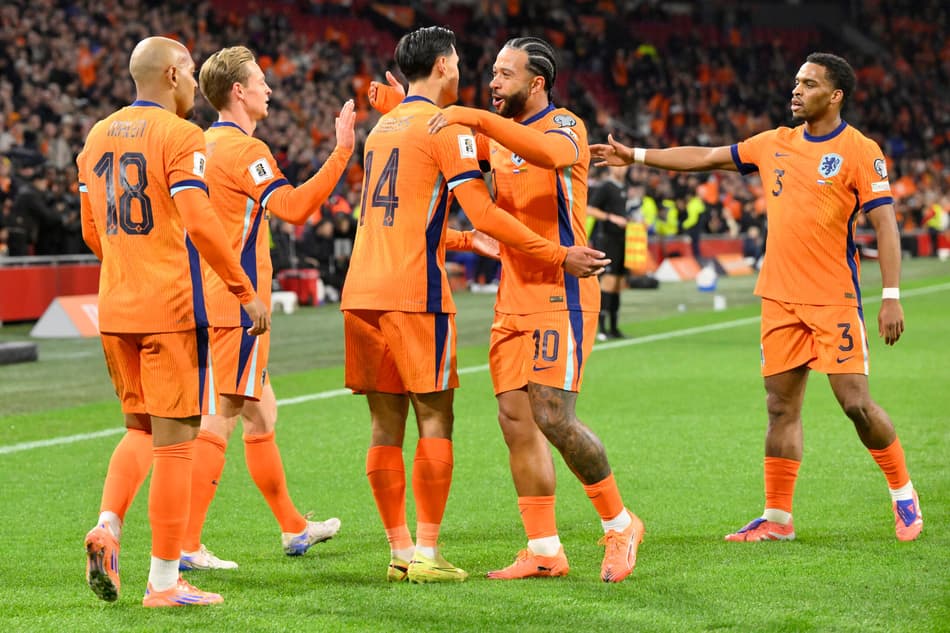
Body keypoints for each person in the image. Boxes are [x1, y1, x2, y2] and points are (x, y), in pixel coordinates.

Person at [592, 51, 923, 543]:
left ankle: (903, 494)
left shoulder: (860, 150)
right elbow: (704, 159)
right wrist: (635, 155)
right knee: (779, 408)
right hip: (779, 298)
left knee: (855, 403)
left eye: (808, 84)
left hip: (834, 299)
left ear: (835, 96)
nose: (796, 90)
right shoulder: (773, 143)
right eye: (796, 82)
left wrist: (890, 295)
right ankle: (777, 519)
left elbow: (886, 223)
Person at [345, 26, 608, 584]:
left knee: (387, 426)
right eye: (472, 65)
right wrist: (557, 253)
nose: (482, 77)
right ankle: (431, 551)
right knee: (450, 418)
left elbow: (417, 206)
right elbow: (482, 210)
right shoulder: (453, 129)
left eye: (501, 73)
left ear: (537, 82)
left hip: (365, 289)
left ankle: (399, 550)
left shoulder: (382, 131)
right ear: (444, 67)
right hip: (423, 293)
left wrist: (416, 107)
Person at [78, 36, 269, 608]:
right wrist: (243, 289)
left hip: (114, 308)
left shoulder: (95, 135)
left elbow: (92, 231)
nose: (193, 84)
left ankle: (108, 525)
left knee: (139, 429)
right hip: (172, 310)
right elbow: (201, 222)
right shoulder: (181, 136)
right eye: (188, 72)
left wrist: (128, 265)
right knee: (177, 444)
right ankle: (164, 582)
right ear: (169, 74)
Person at [177, 45, 355, 571]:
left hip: (209, 294)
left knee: (262, 413)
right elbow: (296, 209)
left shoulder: (202, 144)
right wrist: (342, 151)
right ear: (238, 91)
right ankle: (186, 544)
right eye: (260, 81)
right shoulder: (243, 150)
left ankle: (294, 528)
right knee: (224, 415)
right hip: (238, 304)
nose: (268, 89)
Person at [587, 164, 630, 340]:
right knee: (608, 283)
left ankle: (614, 327)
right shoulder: (605, 186)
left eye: (625, 166)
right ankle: (602, 329)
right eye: (618, 166)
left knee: (619, 283)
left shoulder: (624, 187)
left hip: (623, 240)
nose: (621, 169)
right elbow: (590, 209)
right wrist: (611, 218)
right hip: (608, 240)